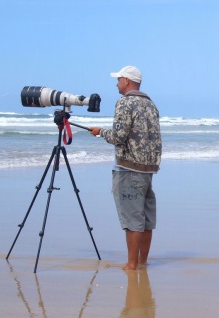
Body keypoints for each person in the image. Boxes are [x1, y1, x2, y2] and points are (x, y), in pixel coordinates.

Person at [89, 65, 162, 271]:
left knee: (132, 219)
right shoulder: (151, 105)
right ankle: (142, 262)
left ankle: (131, 265)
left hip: (129, 168)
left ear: (128, 81)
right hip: (148, 168)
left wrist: (100, 132)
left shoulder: (124, 103)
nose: (116, 83)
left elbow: (118, 136)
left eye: (119, 79)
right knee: (146, 220)